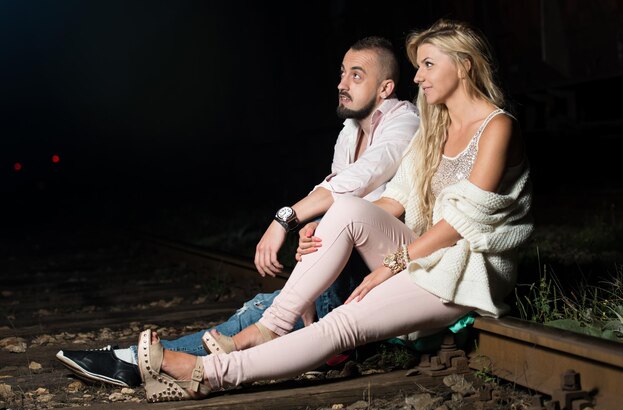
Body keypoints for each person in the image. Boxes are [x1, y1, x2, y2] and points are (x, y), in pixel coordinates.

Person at [133, 18, 535, 403]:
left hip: (466, 269)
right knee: (344, 207)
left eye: (428, 64)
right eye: (418, 67)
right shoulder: (437, 127)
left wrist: (392, 263)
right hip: (426, 254)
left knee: (343, 322)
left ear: (464, 66)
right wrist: (329, 227)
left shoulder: (497, 127)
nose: (418, 77)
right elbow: (396, 199)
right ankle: (270, 327)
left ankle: (205, 375)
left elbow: (462, 223)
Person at [55, 35, 420, 388]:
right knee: (269, 307)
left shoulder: (405, 121)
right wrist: (311, 223)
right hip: (349, 261)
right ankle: (147, 359)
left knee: (262, 312)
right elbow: (333, 188)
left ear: (385, 88)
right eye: (342, 72)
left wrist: (286, 219)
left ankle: (137, 362)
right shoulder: (349, 130)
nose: (342, 83)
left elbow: (362, 181)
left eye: (356, 75)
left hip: (384, 268)